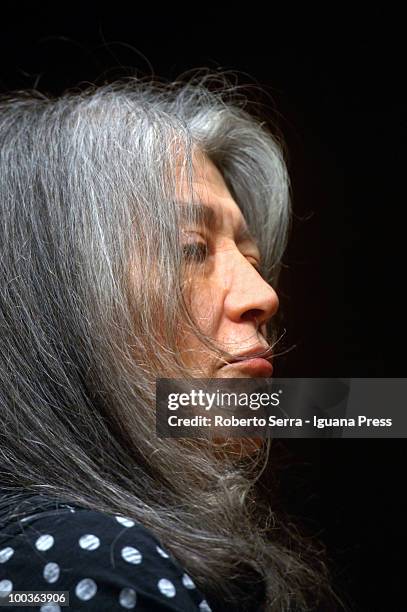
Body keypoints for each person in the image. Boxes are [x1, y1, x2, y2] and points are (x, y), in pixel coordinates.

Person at [0, 72, 340, 611]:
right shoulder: (82, 569)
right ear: (61, 303)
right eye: (190, 251)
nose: (263, 295)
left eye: (251, 260)